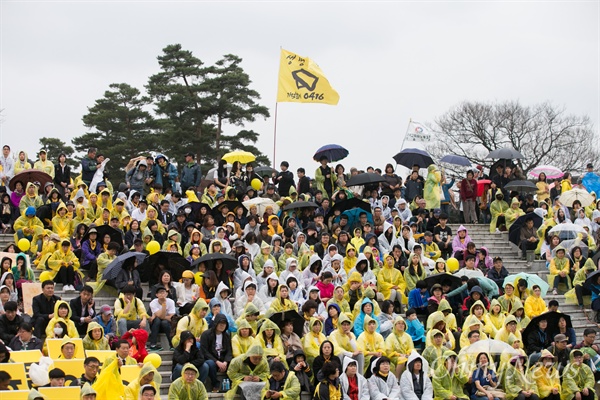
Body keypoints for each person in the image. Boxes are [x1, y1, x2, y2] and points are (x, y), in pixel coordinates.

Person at [200, 313, 232, 392]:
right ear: (216, 323)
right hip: (211, 359)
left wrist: (225, 362)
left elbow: (229, 351)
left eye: (224, 324)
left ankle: (231, 384)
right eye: (220, 323)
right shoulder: (206, 334)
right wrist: (217, 362)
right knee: (210, 364)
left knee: (234, 362)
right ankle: (215, 384)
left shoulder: (227, 336)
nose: (222, 326)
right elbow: (204, 351)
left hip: (223, 360)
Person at [148, 286, 175, 351]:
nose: (162, 294)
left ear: (166, 294)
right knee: (157, 320)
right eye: (160, 293)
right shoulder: (153, 303)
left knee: (164, 322)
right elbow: (161, 316)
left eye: (163, 292)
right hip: (155, 325)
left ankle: (172, 345)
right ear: (156, 295)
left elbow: (171, 316)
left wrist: (161, 316)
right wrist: (164, 304)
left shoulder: (171, 302)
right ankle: (153, 345)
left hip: (167, 325)